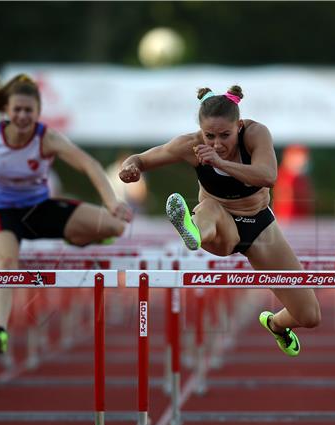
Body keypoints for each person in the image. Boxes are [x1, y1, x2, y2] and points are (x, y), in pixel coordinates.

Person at [0, 73, 132, 355]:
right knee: (6, 261)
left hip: (40, 210)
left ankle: (77, 237)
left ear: (38, 112)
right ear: (6, 111)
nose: (22, 116)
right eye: (16, 110)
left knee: (116, 227)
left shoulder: (47, 138)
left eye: (28, 110)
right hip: (2, 213)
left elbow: (89, 165)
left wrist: (112, 201)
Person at [119, 85, 321, 356]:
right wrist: (130, 167)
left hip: (260, 226)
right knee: (210, 206)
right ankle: (192, 230)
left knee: (309, 315)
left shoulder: (256, 134)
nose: (216, 143)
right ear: (200, 131)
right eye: (209, 136)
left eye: (224, 135)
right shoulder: (189, 145)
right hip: (220, 227)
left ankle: (275, 324)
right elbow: (141, 159)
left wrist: (220, 163)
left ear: (238, 126)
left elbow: (268, 175)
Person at [273, 144, 315, 222]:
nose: (304, 160)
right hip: (289, 225)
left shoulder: (302, 178)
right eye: (300, 155)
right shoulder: (283, 177)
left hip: (302, 223)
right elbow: (284, 207)